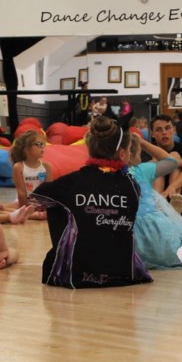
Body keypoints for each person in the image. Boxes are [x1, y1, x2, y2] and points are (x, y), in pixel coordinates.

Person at [29, 117, 152, 289]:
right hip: (122, 273)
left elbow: (36, 196)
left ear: (89, 149)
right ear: (122, 154)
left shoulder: (72, 182)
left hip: (76, 275)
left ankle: (71, 257)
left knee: (58, 203)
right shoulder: (132, 186)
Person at [127, 134, 182, 269]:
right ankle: (172, 216)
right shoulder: (139, 170)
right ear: (130, 156)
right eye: (139, 152)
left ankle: (170, 214)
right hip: (159, 236)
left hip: (133, 246)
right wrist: (143, 142)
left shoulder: (107, 174)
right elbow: (171, 162)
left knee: (152, 197)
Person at [145, 114, 182, 214]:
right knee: (160, 159)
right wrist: (180, 162)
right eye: (159, 130)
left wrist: (171, 187)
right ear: (152, 133)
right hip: (154, 195)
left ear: (174, 130)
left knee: (175, 155)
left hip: (180, 195)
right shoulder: (148, 151)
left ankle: (174, 200)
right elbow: (142, 172)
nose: (164, 133)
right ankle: (158, 203)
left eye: (167, 128)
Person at [10, 130, 53, 212]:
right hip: (23, 203)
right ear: (26, 149)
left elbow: (49, 191)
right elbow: (21, 192)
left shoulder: (47, 167)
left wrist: (46, 207)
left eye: (43, 144)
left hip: (41, 203)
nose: (42, 147)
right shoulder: (19, 167)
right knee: (13, 206)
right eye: (38, 144)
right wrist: (26, 210)